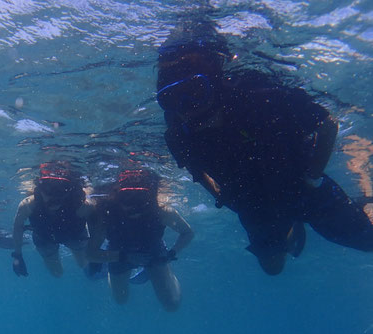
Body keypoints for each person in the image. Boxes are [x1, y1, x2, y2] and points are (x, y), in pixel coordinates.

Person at [156, 20, 373, 275]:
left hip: (302, 188)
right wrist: (222, 196)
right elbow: (196, 170)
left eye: (195, 91)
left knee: (368, 241)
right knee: (273, 268)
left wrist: (313, 177)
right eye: (171, 98)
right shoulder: (180, 132)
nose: (187, 105)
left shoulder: (258, 95)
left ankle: (365, 196)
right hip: (251, 203)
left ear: (213, 84)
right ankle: (290, 225)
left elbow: (327, 125)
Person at [87, 169, 193, 310]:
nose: (134, 206)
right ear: (116, 197)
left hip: (153, 250)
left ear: (149, 198)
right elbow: (90, 254)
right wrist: (122, 257)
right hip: (118, 253)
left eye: (140, 199)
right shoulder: (106, 215)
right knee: (120, 300)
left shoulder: (161, 212)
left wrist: (171, 254)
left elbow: (187, 233)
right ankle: (115, 266)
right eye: (127, 198)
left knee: (172, 304)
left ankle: (156, 271)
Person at [11, 162, 96, 277]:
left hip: (74, 234)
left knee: (83, 263)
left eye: (60, 190)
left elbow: (96, 224)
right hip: (44, 237)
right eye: (48, 190)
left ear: (68, 191)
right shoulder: (28, 205)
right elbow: (17, 228)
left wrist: (95, 252)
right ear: (39, 190)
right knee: (57, 273)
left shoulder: (81, 206)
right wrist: (18, 256)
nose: (54, 197)